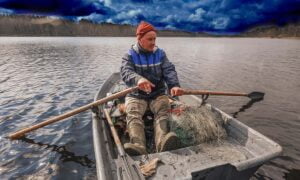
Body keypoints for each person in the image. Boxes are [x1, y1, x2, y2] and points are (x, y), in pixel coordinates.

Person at [120, 21, 184, 155]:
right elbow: (126, 72)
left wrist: (174, 85)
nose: (153, 42)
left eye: (154, 39)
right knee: (133, 113)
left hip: (157, 93)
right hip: (136, 94)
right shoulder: (129, 55)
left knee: (163, 111)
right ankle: (138, 146)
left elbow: (169, 70)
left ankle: (163, 143)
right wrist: (139, 80)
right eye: (150, 39)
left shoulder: (160, 53)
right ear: (139, 39)